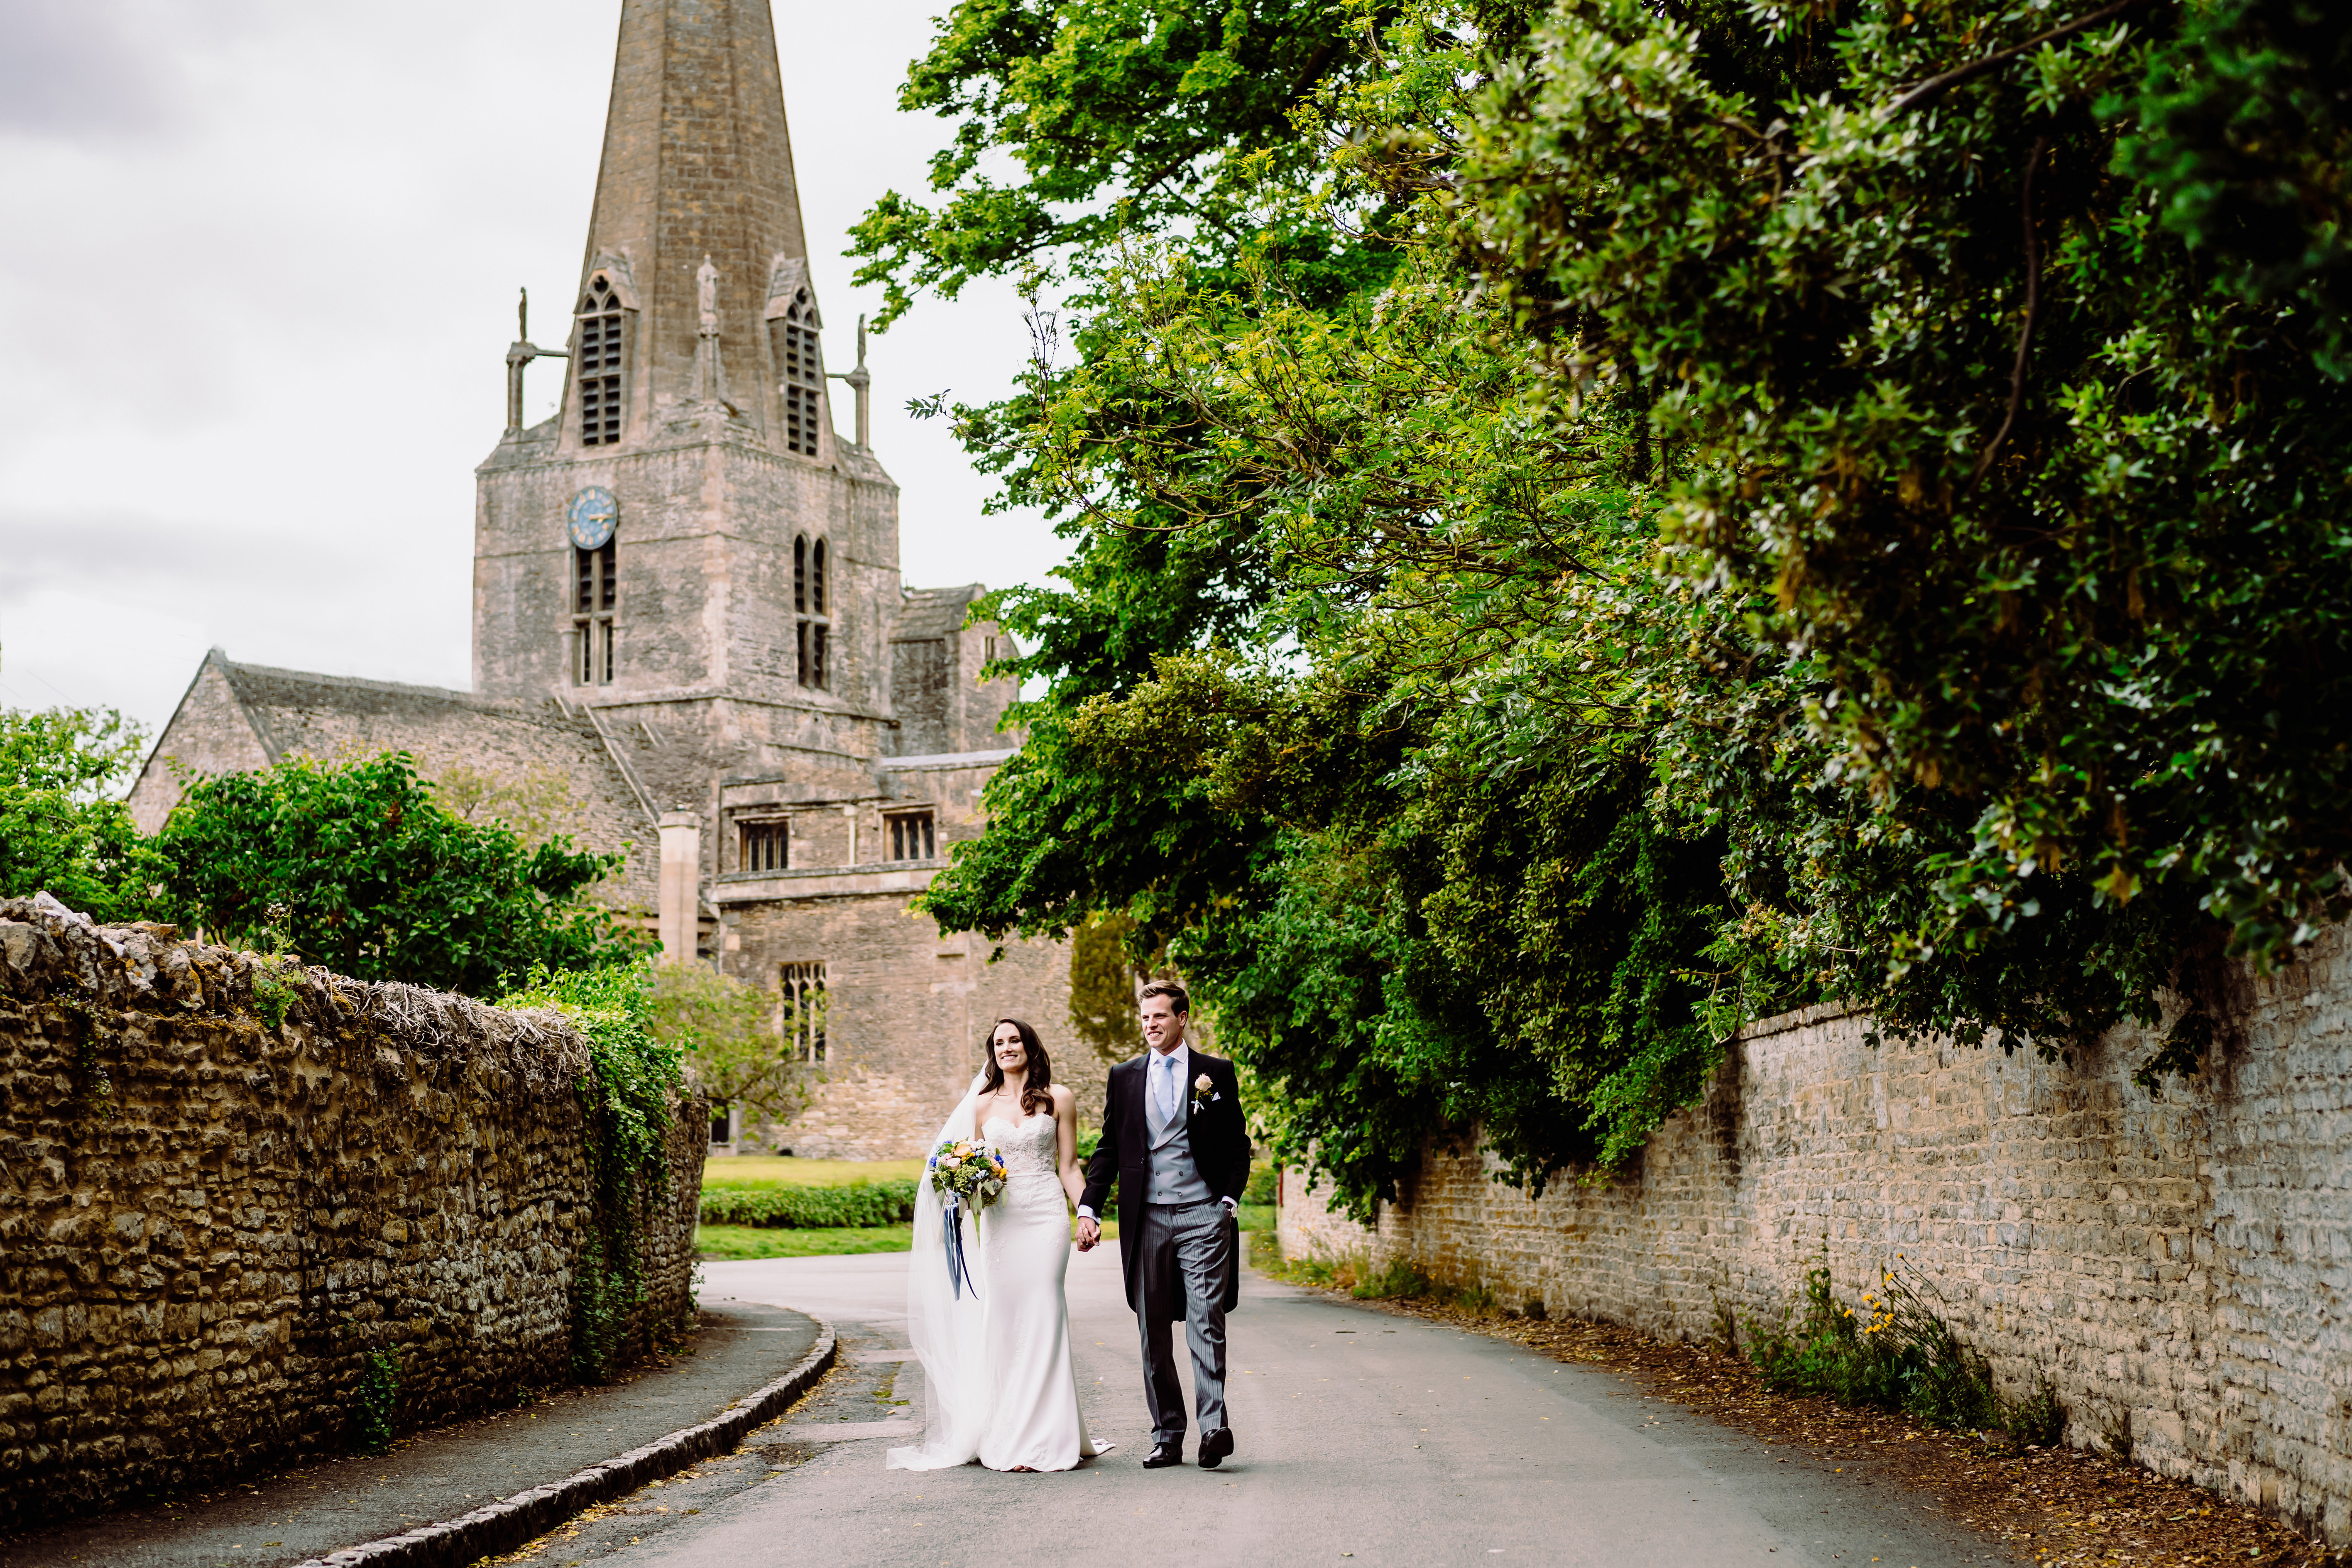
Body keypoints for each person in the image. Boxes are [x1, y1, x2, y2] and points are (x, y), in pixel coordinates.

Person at [888, 1018, 1107, 1473]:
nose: (1008, 1047)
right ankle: (1012, 1433)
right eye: (999, 1042)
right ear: (993, 1051)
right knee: (1005, 1320)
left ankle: (1047, 1435)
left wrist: (1086, 1213)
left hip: (1046, 1214)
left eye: (1015, 1040)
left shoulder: (1059, 1097)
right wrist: (962, 1195)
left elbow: (1068, 1166)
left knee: (1046, 1308)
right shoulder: (980, 1104)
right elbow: (961, 1166)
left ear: (1030, 1046)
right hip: (1002, 1221)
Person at [1077, 982, 1251, 1470]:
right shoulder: (1124, 1076)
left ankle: (1214, 1428)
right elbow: (1108, 1149)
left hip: (1203, 1213)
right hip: (1147, 1215)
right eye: (1145, 1018)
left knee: (1206, 1320)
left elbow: (1238, 1145)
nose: (1150, 1024)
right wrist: (1089, 1208)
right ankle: (1168, 1434)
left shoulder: (1215, 1073)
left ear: (1182, 1018)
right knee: (1153, 1330)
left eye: (1159, 1016)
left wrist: (1227, 1201)